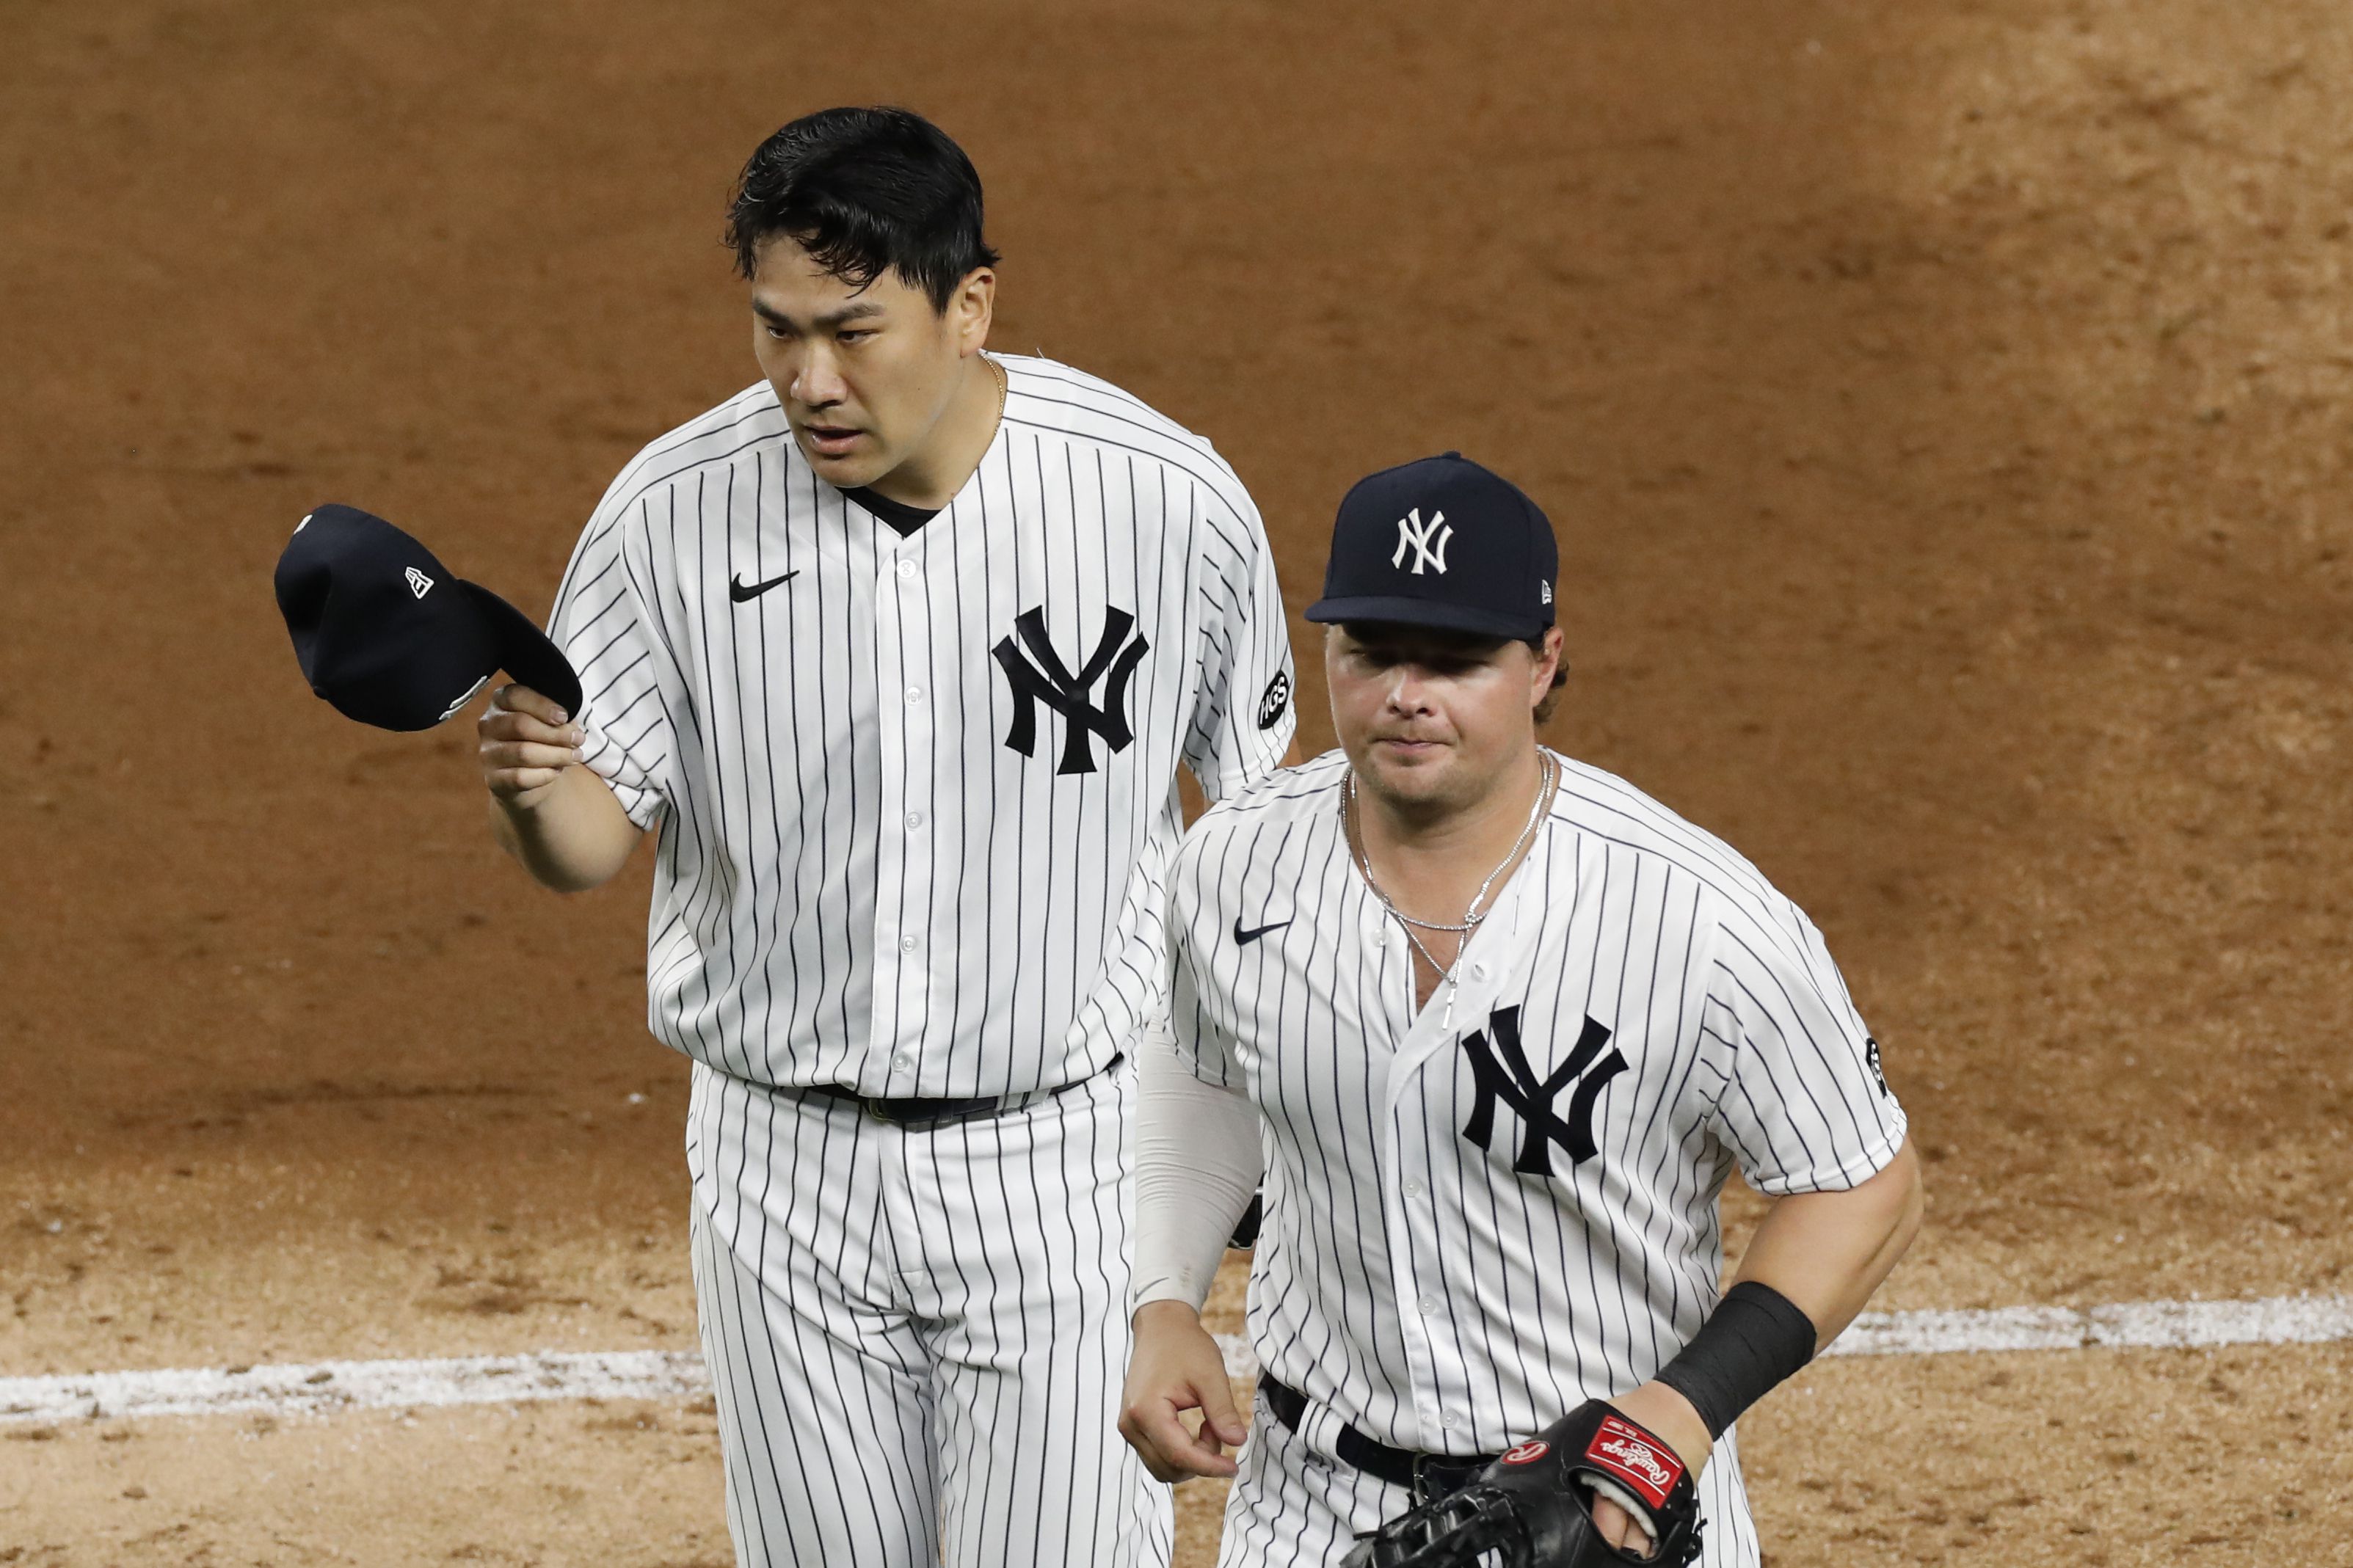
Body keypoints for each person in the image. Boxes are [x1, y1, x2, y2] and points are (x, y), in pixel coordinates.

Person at [475, 106, 1297, 1568]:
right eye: (777, 330)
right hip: (781, 1172)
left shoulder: (1162, 503)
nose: (809, 379)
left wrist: (1253, 1156)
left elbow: (1258, 830)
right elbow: (596, 841)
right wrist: (537, 784)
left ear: (968, 303)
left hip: (1059, 1169)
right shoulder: (672, 515)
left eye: (854, 330)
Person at [1119, 453, 1922, 1566]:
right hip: (1307, 1505)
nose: (1407, 692)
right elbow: (1201, 1068)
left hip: (1608, 1517)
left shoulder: (1699, 919)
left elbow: (1860, 1181)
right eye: (1370, 652)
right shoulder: (1234, 864)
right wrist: (1162, 1294)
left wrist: (1678, 1416)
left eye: (1454, 660)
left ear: (1544, 662)